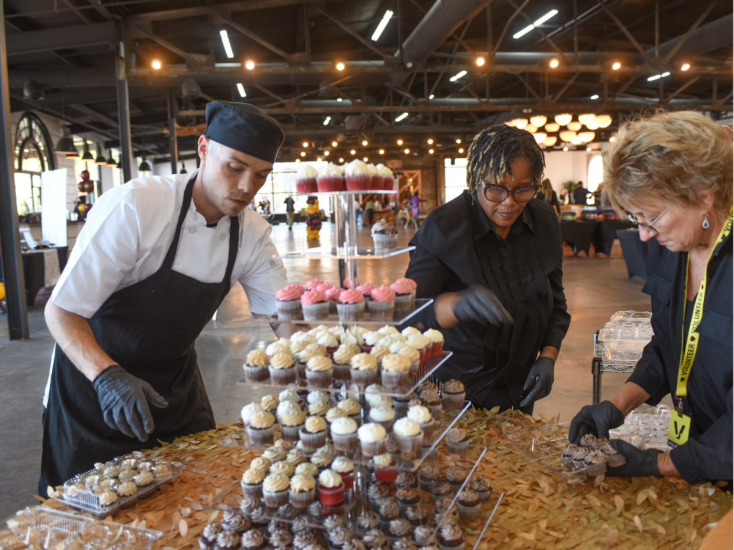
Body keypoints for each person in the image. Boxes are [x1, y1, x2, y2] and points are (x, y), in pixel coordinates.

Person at [40, 101, 292, 492]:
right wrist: (108, 378)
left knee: (196, 502)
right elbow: (61, 310)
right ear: (204, 149)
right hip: (93, 386)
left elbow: (284, 316)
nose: (247, 187)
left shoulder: (252, 233)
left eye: (260, 175)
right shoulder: (138, 206)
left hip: (174, 391)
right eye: (235, 167)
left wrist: (325, 363)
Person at [568, 111, 732, 485]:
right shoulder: (674, 246)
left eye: (651, 217)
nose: (643, 236)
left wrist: (657, 465)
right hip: (700, 452)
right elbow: (669, 344)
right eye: (636, 220)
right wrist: (618, 404)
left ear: (704, 195)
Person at [405, 125, 571, 412]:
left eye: (523, 189)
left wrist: (548, 355)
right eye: (496, 188)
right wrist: (454, 305)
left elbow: (555, 302)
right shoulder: (444, 227)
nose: (509, 202)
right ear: (475, 181)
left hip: (519, 385)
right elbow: (409, 315)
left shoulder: (544, 222)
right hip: (455, 389)